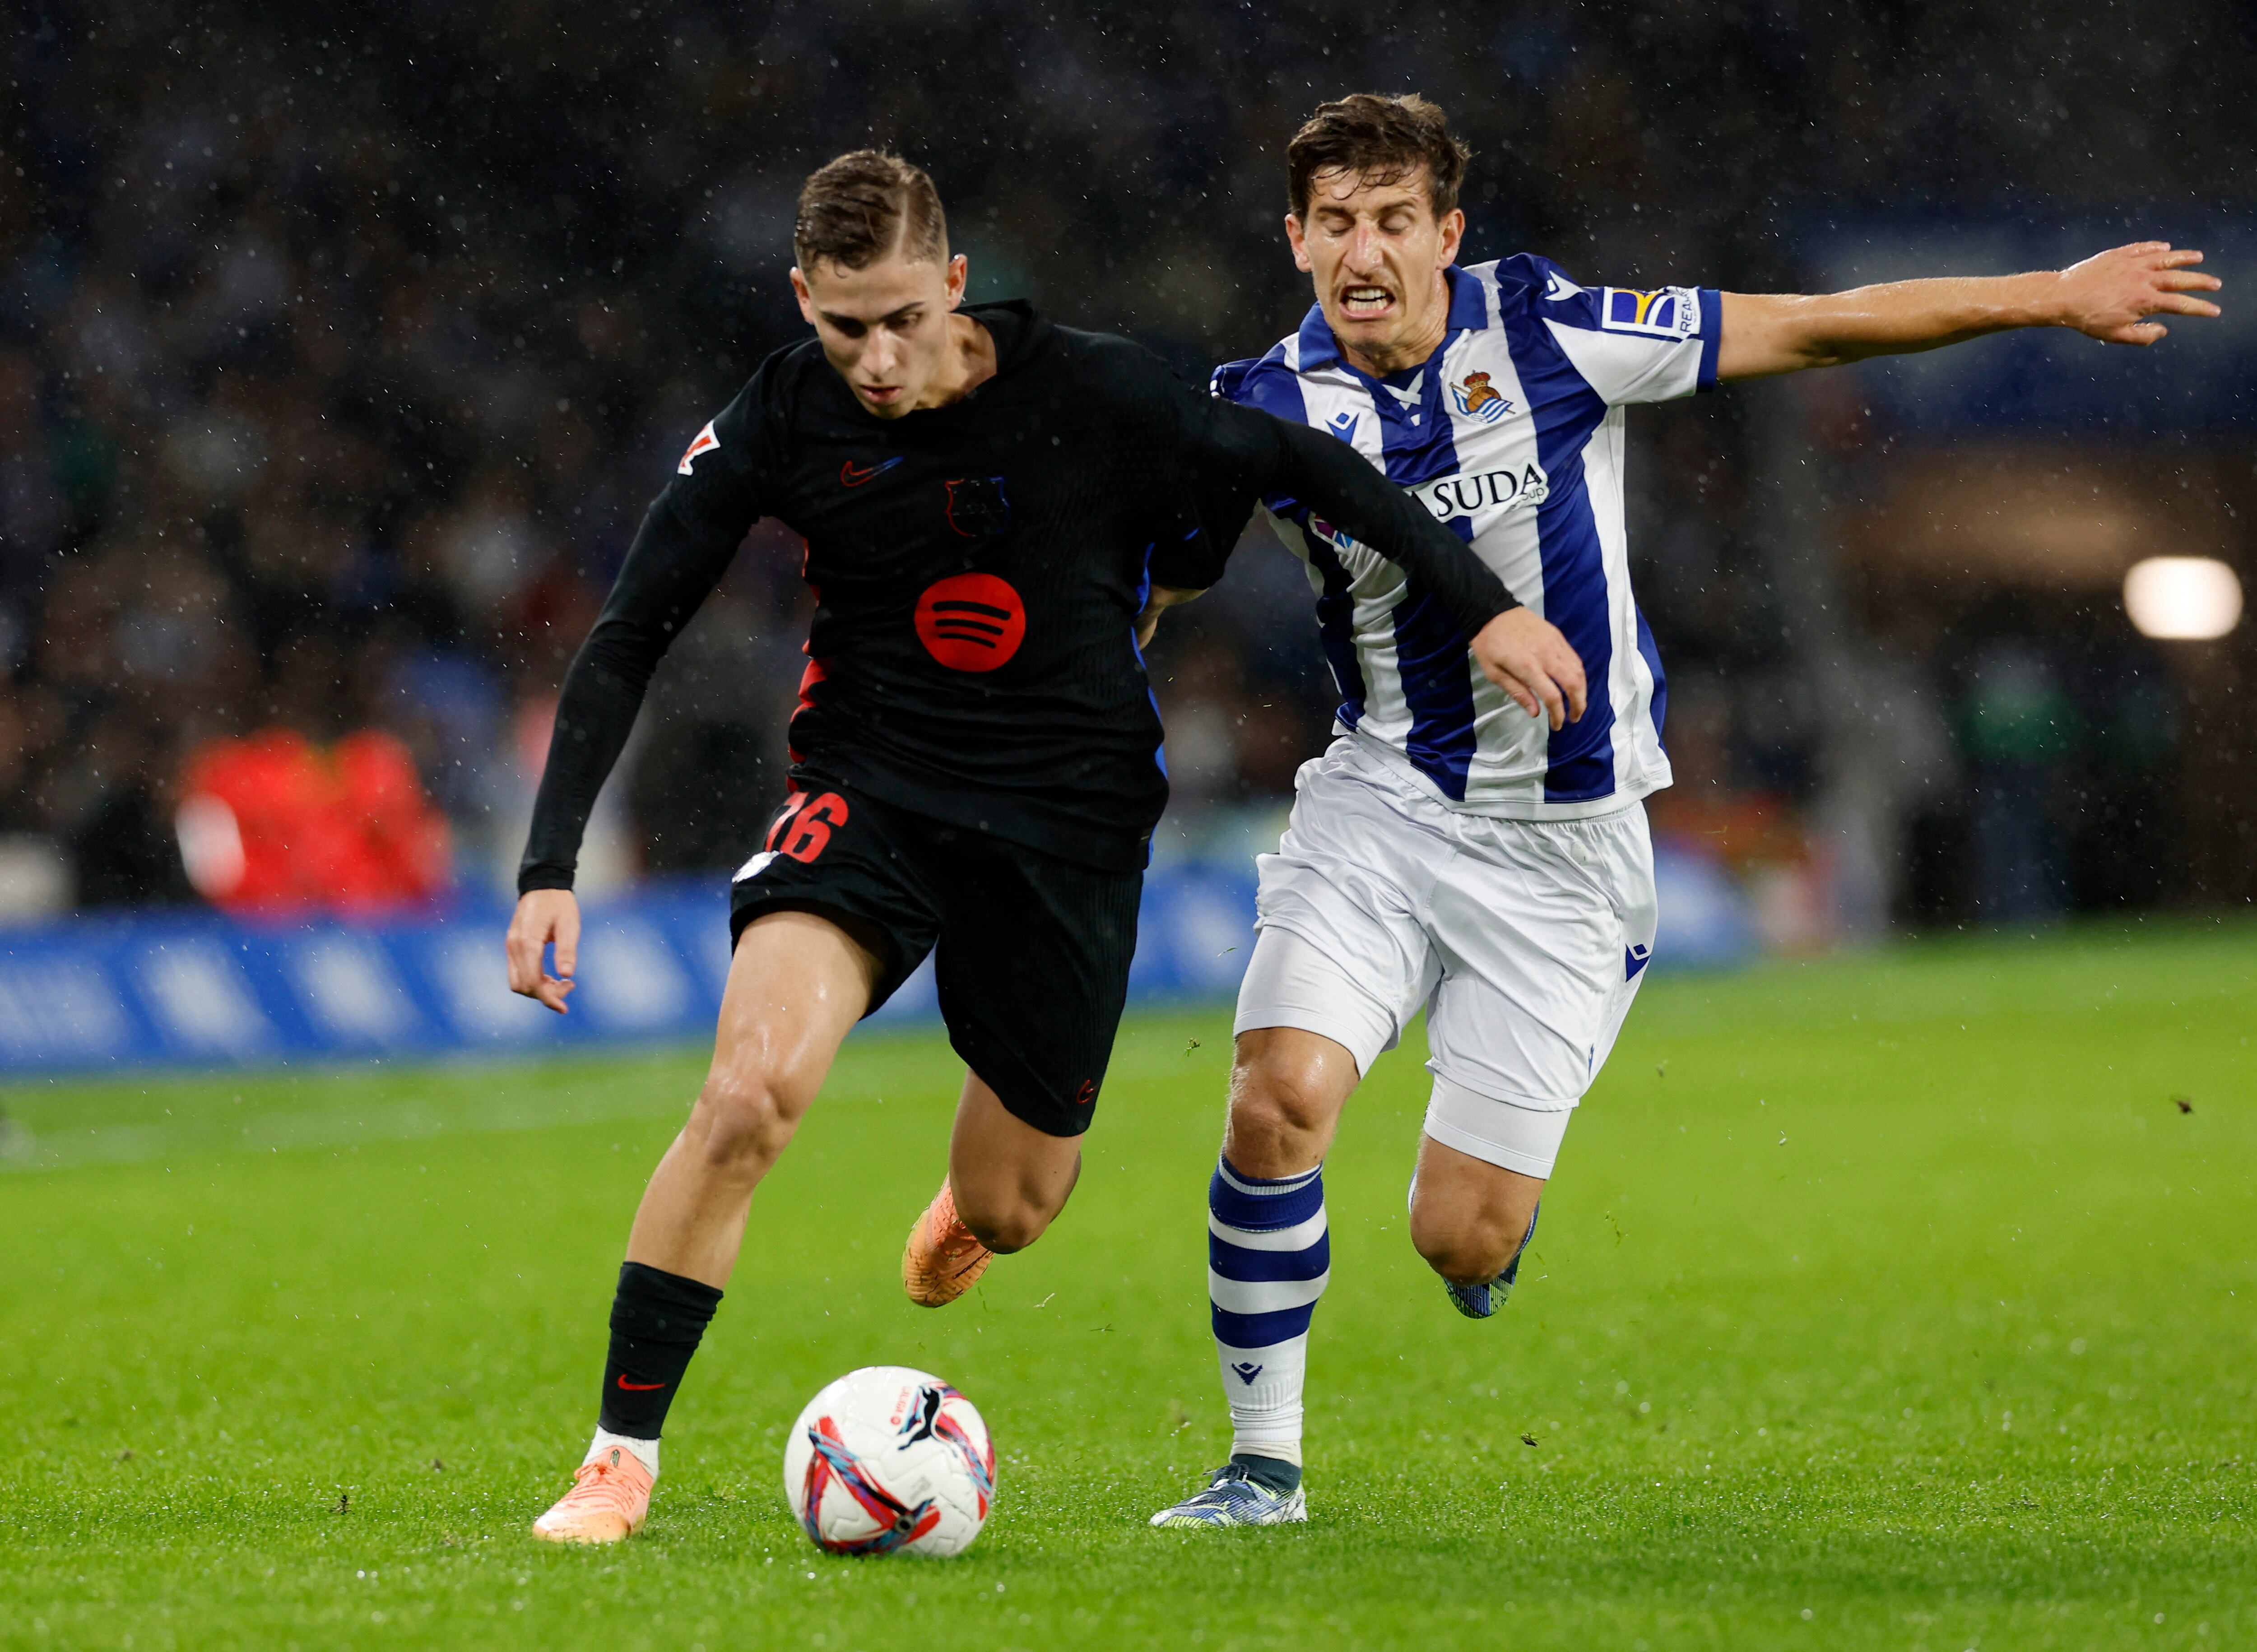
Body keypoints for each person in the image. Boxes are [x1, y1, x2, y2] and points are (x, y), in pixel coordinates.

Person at [1152, 92, 2220, 1528]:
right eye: (1336, 221)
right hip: (1381, 812)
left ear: (1446, 234)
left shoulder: (1551, 332)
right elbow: (1152, 579)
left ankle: (1489, 1232)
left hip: (1568, 853)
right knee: (1277, 1099)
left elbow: (1817, 324)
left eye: (1394, 220)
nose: (1365, 250)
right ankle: (1261, 1464)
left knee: (1459, 1237)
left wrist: (2050, 298)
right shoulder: (1260, 407)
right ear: (1295, 240)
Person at [506, 148, 1586, 1544]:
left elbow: (1305, 467)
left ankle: (970, 1201)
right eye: (846, 329)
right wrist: (550, 865)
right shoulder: (781, 415)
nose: (879, 359)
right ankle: (618, 1459)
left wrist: (1485, 608)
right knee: (750, 1092)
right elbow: (628, 631)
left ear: (957, 283)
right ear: (803, 303)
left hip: (1067, 826)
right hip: (872, 791)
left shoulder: (1099, 390)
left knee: (1019, 1205)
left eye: (904, 319)